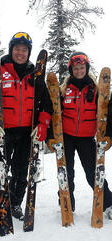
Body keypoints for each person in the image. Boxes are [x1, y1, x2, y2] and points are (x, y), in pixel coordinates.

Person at [0, 32, 53, 228]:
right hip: (4, 132)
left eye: (24, 50)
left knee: (20, 171)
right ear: (11, 50)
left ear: (28, 52)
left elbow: (46, 105)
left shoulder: (35, 76)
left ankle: (15, 204)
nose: (20, 52)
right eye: (17, 48)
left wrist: (42, 124)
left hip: (27, 132)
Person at [56, 51, 112, 216]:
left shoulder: (96, 90)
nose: (79, 71)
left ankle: (107, 203)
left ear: (86, 68)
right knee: (66, 173)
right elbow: (54, 113)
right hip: (66, 137)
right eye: (75, 68)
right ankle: (66, 202)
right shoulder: (64, 90)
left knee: (93, 173)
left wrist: (107, 134)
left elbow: (106, 114)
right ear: (71, 70)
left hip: (87, 138)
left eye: (82, 67)